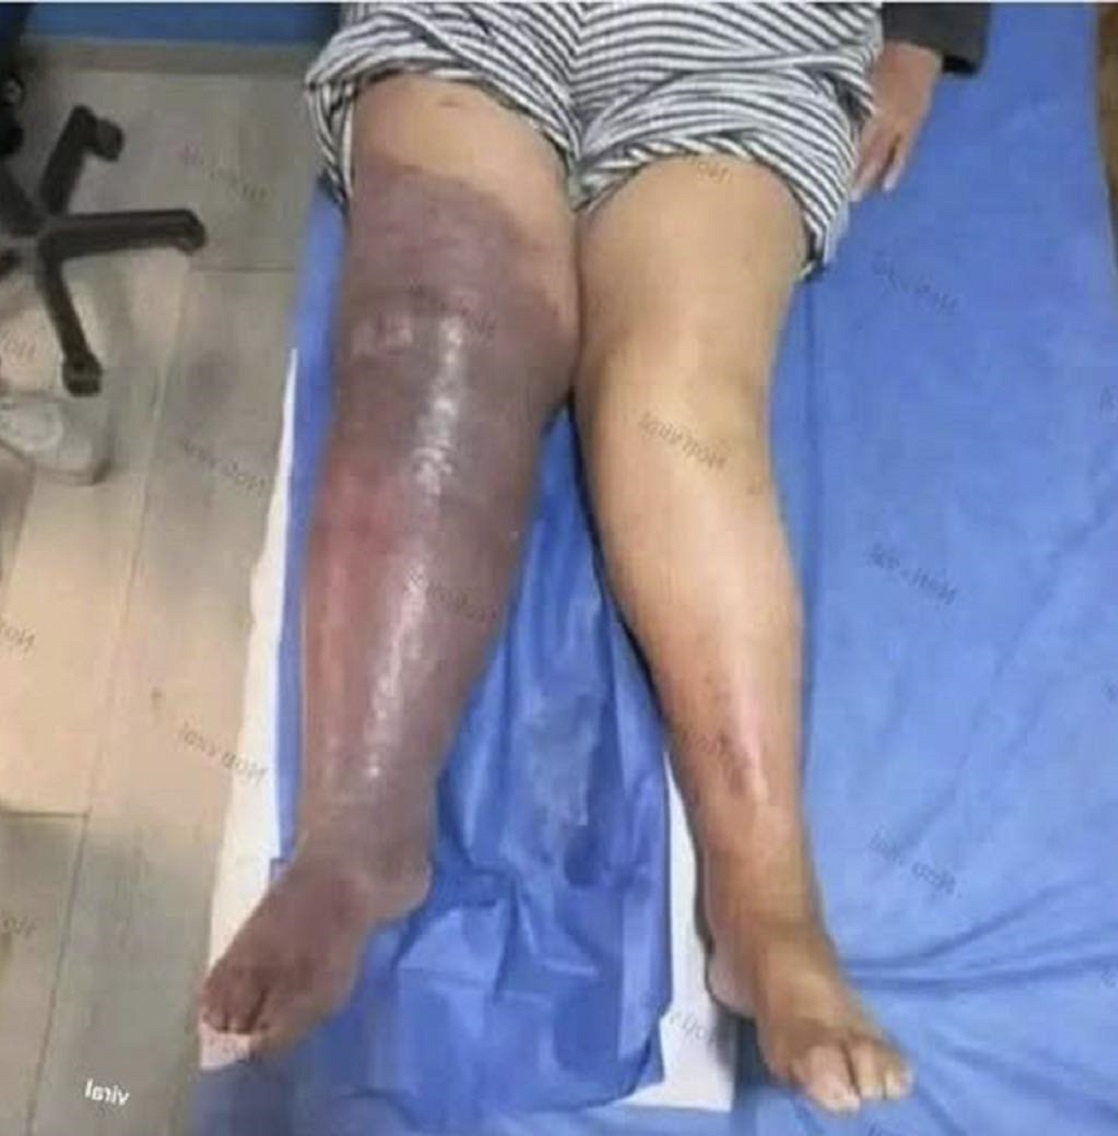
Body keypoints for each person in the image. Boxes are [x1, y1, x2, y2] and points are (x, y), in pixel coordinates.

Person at [201, 3, 985, 1115]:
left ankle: (765, 904)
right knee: (430, 340)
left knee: (678, 407)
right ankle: (356, 837)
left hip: (738, 31)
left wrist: (922, 31)